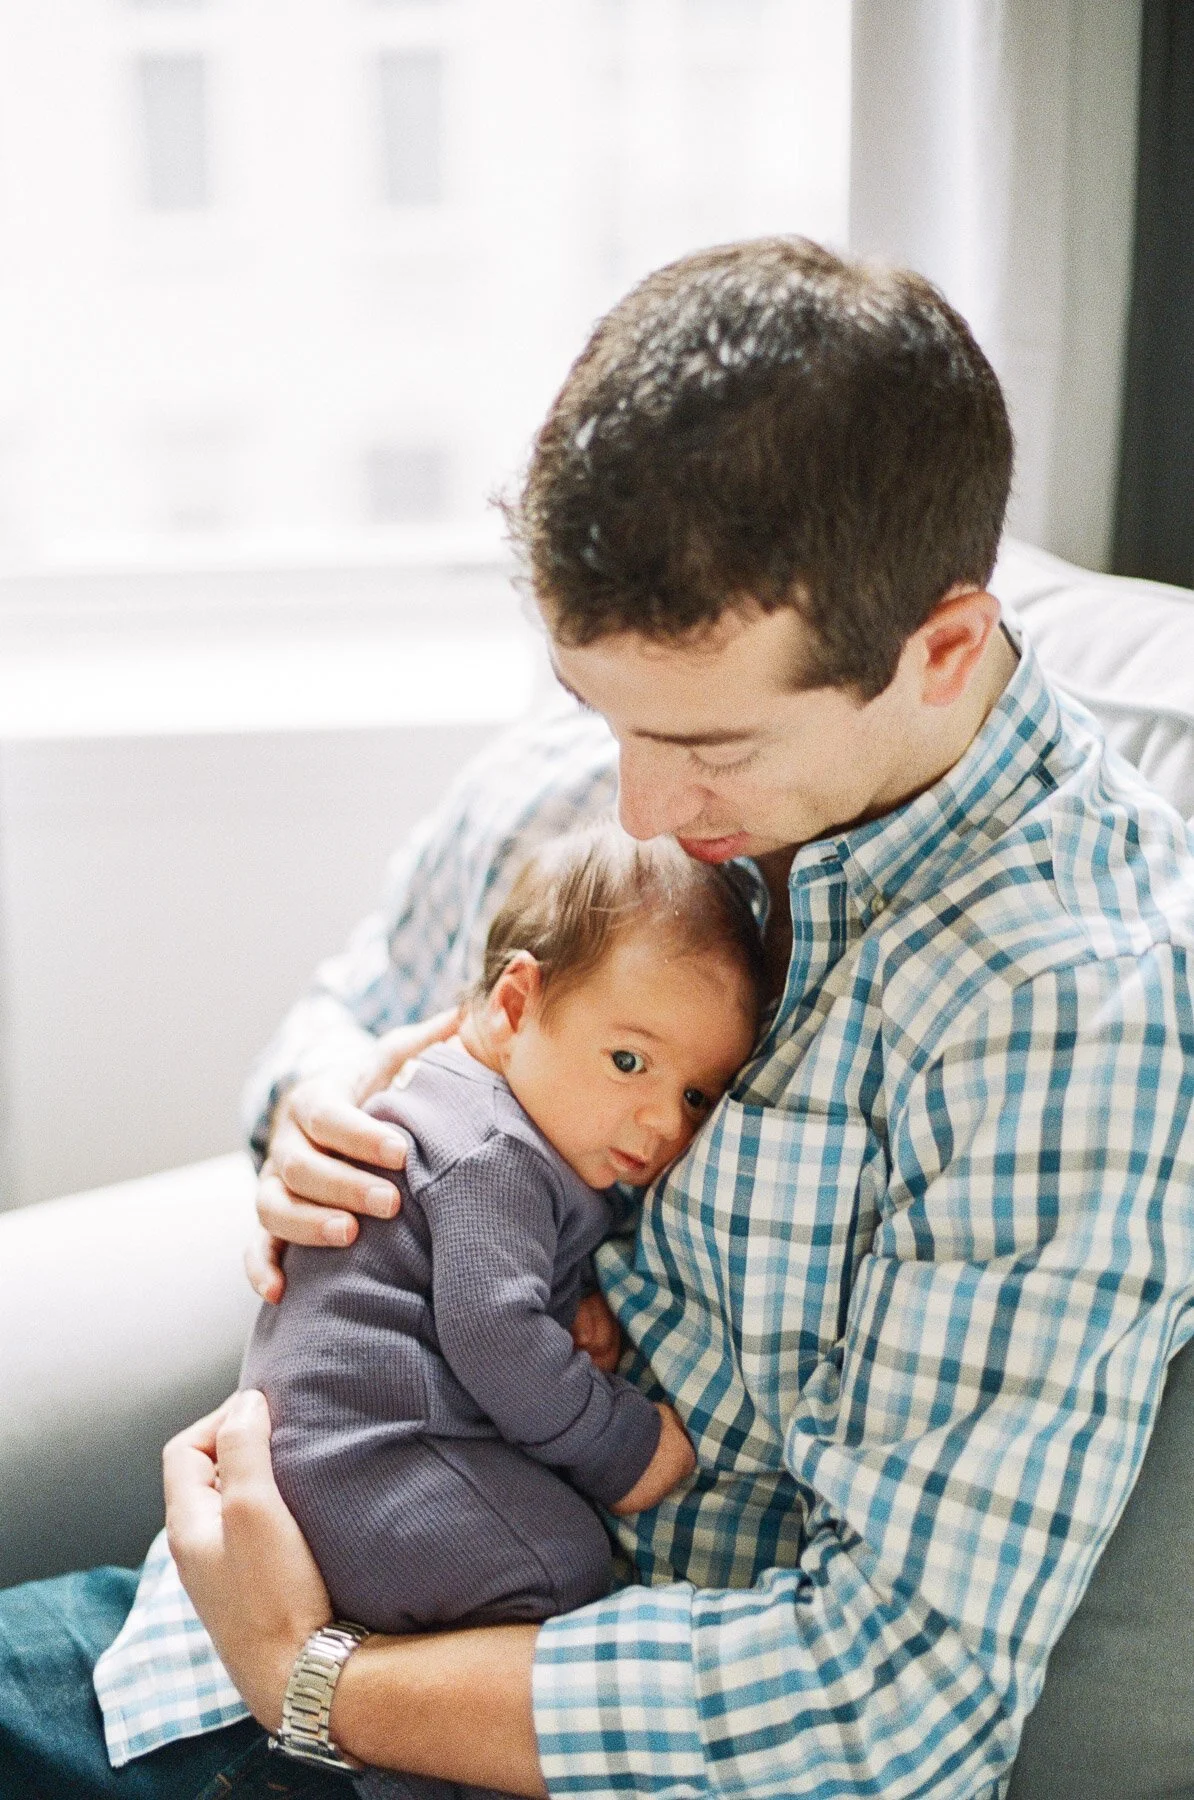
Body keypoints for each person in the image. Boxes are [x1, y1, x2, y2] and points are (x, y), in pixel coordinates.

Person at [3, 234, 1194, 1800]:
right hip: (204, 1632)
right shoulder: (618, 767)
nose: (633, 801)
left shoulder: (1068, 1017)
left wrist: (311, 1683)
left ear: (944, 649)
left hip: (465, 1730)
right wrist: (325, 1121)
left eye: (705, 743)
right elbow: (347, 1007)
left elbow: (886, 1709)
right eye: (595, 711)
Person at [238, 827, 759, 1642]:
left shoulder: (495, 1116)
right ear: (516, 1006)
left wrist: (566, 1293)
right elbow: (492, 1329)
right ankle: (414, 1763)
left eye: (698, 1096)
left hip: (338, 1458)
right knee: (561, 1565)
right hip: (370, 1461)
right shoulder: (496, 1153)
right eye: (629, 1062)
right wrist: (620, 1446)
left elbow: (463, 1280)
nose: (664, 1122)